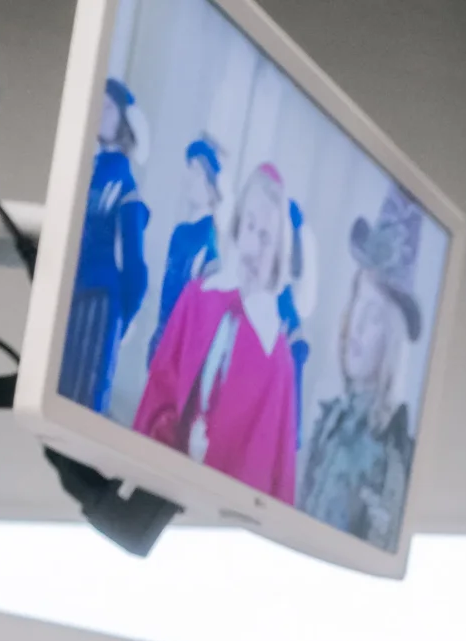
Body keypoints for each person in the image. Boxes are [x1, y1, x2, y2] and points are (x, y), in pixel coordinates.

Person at [134, 162, 301, 502]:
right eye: (249, 227)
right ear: (237, 229)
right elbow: (161, 388)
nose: (253, 247)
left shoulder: (278, 359)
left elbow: (272, 469)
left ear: (277, 255)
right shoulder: (198, 299)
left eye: (265, 237)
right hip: (167, 483)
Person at [299, 188, 425, 547]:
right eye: (357, 301)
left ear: (392, 339)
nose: (356, 324)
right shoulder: (332, 420)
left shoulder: (391, 456)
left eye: (374, 317)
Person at [57, 79, 150, 413]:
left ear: (124, 120)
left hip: (97, 303)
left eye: (109, 108)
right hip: (74, 295)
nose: (100, 112)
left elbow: (136, 269)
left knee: (79, 400)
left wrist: (117, 321)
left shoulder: (124, 184)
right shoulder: (92, 169)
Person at [150, 137, 222, 350]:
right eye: (189, 169)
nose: (189, 178)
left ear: (211, 185)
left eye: (197, 172)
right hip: (162, 343)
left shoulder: (207, 242)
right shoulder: (181, 232)